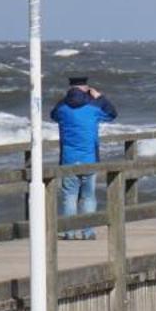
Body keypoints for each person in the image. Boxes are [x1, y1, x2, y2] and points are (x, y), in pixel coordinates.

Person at [51, 75, 115, 239]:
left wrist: (67, 97)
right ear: (86, 89)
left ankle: (69, 232)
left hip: (68, 159)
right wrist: (99, 97)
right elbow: (112, 114)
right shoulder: (93, 109)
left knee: (69, 196)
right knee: (88, 196)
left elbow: (53, 114)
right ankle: (88, 231)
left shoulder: (63, 109)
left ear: (70, 89)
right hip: (89, 158)